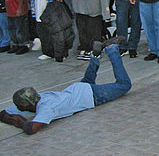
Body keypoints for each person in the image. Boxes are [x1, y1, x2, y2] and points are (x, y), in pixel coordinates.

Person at [0, 37, 130, 135]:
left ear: (26, 107)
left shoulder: (46, 108)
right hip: (77, 89)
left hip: (90, 96)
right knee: (88, 81)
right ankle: (95, 55)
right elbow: (2, 114)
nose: (19, 109)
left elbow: (31, 129)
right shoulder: (39, 98)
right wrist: (15, 119)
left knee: (124, 85)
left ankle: (111, 49)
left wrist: (18, 121)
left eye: (20, 107)